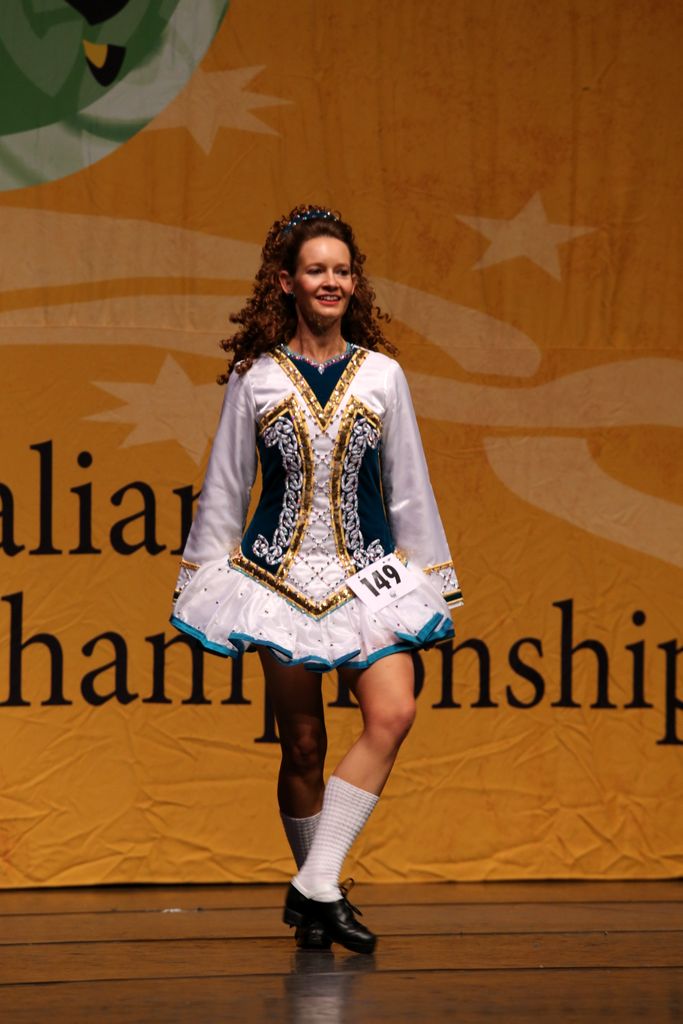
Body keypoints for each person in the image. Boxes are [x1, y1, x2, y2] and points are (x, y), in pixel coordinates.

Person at [171, 204, 463, 955]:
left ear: (354, 283)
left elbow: (407, 486)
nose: (330, 281)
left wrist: (429, 574)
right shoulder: (256, 377)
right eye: (315, 270)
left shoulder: (384, 376)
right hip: (280, 581)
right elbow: (228, 484)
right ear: (287, 282)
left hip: (369, 577)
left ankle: (316, 882)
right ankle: (318, 904)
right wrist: (204, 575)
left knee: (393, 711)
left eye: (341, 270)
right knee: (301, 744)